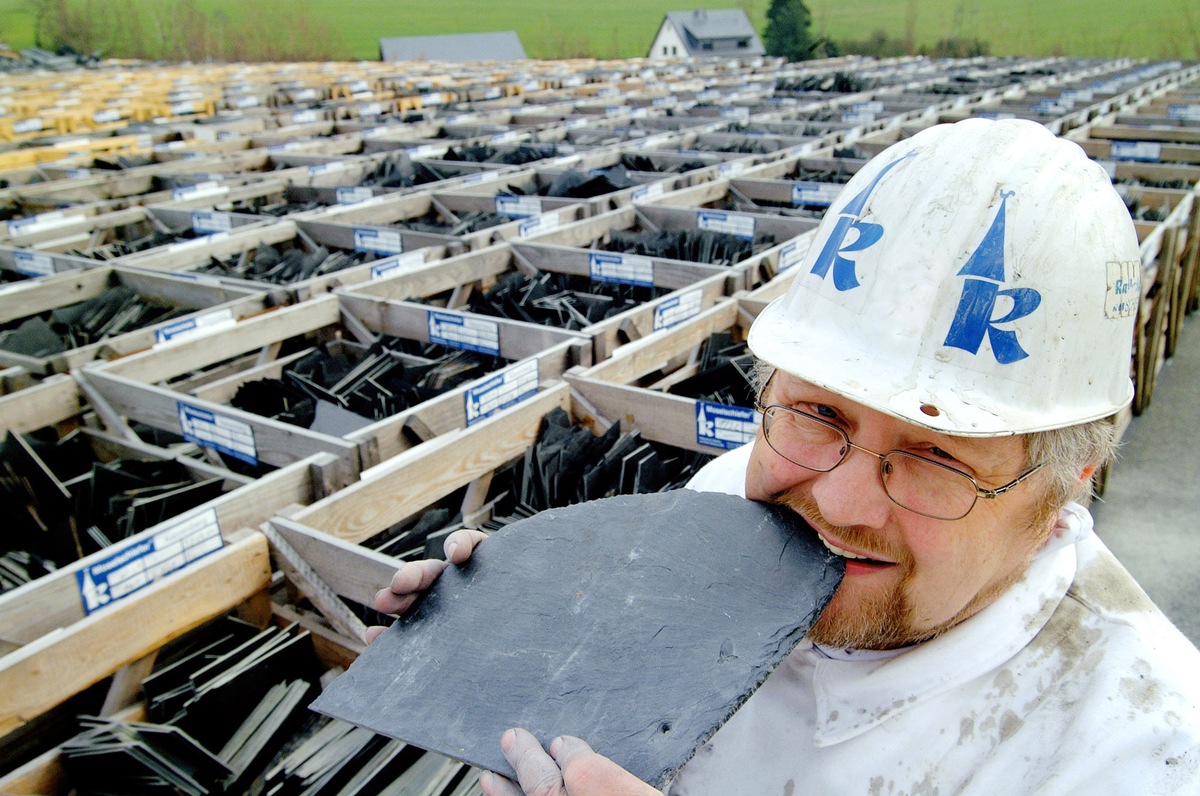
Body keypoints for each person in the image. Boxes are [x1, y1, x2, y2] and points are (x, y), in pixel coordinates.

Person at [370, 118, 1200, 794]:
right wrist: (519, 639)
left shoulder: (1139, 752)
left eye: (936, 459)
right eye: (816, 412)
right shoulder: (728, 499)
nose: (839, 505)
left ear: (1065, 484)